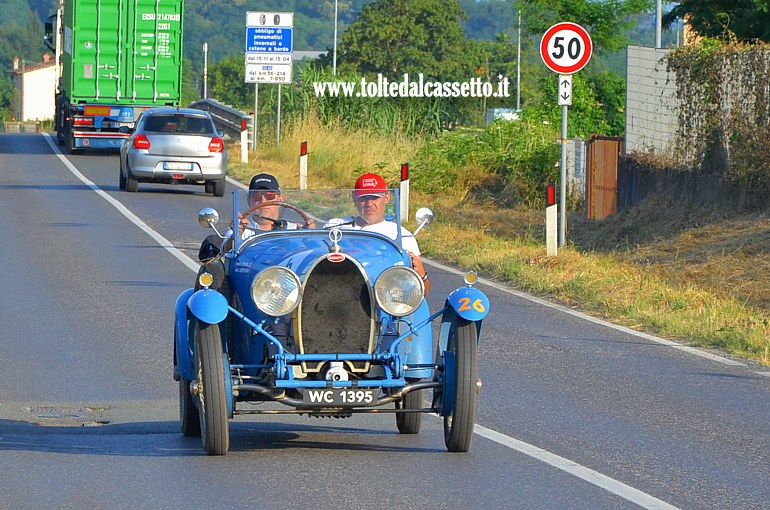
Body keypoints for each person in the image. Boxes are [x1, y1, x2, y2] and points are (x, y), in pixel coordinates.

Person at [329, 173, 431, 294]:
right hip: (335, 290)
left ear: (386, 198)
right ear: (354, 198)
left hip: (383, 297)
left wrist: (422, 275)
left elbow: (421, 292)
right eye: (364, 198)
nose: (369, 204)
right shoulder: (334, 227)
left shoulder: (401, 235)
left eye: (375, 198)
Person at [222, 173, 313, 251]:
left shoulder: (294, 230)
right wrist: (236, 235)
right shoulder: (241, 229)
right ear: (249, 201)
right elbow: (224, 252)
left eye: (270, 196)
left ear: (280, 199)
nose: (263, 201)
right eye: (256, 196)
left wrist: (310, 236)